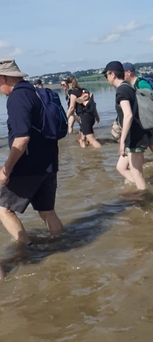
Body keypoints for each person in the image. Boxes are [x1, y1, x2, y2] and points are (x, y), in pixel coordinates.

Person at [0, 59, 63, 246]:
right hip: (50, 161)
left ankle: (27, 251)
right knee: (47, 211)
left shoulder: (17, 98)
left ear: (3, 77)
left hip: (29, 165)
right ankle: (62, 243)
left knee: (3, 209)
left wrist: (6, 169)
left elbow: (22, 139)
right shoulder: (36, 91)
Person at [104, 61, 147, 190]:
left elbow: (128, 115)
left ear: (112, 74)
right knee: (121, 168)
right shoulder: (128, 87)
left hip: (134, 135)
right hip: (136, 133)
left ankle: (145, 199)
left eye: (106, 75)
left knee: (136, 172)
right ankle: (140, 189)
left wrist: (122, 140)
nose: (106, 79)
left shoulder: (122, 90)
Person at [122, 63, 153, 162]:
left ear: (129, 72)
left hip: (146, 120)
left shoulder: (140, 83)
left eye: (122, 72)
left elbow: (152, 101)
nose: (121, 75)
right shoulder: (132, 85)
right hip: (141, 120)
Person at [66, 76, 101, 148]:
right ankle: (85, 155)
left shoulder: (73, 93)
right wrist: (96, 116)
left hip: (84, 117)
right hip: (91, 116)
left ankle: (100, 155)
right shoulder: (85, 91)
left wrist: (65, 118)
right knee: (83, 138)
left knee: (92, 140)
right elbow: (93, 104)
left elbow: (71, 108)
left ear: (69, 84)